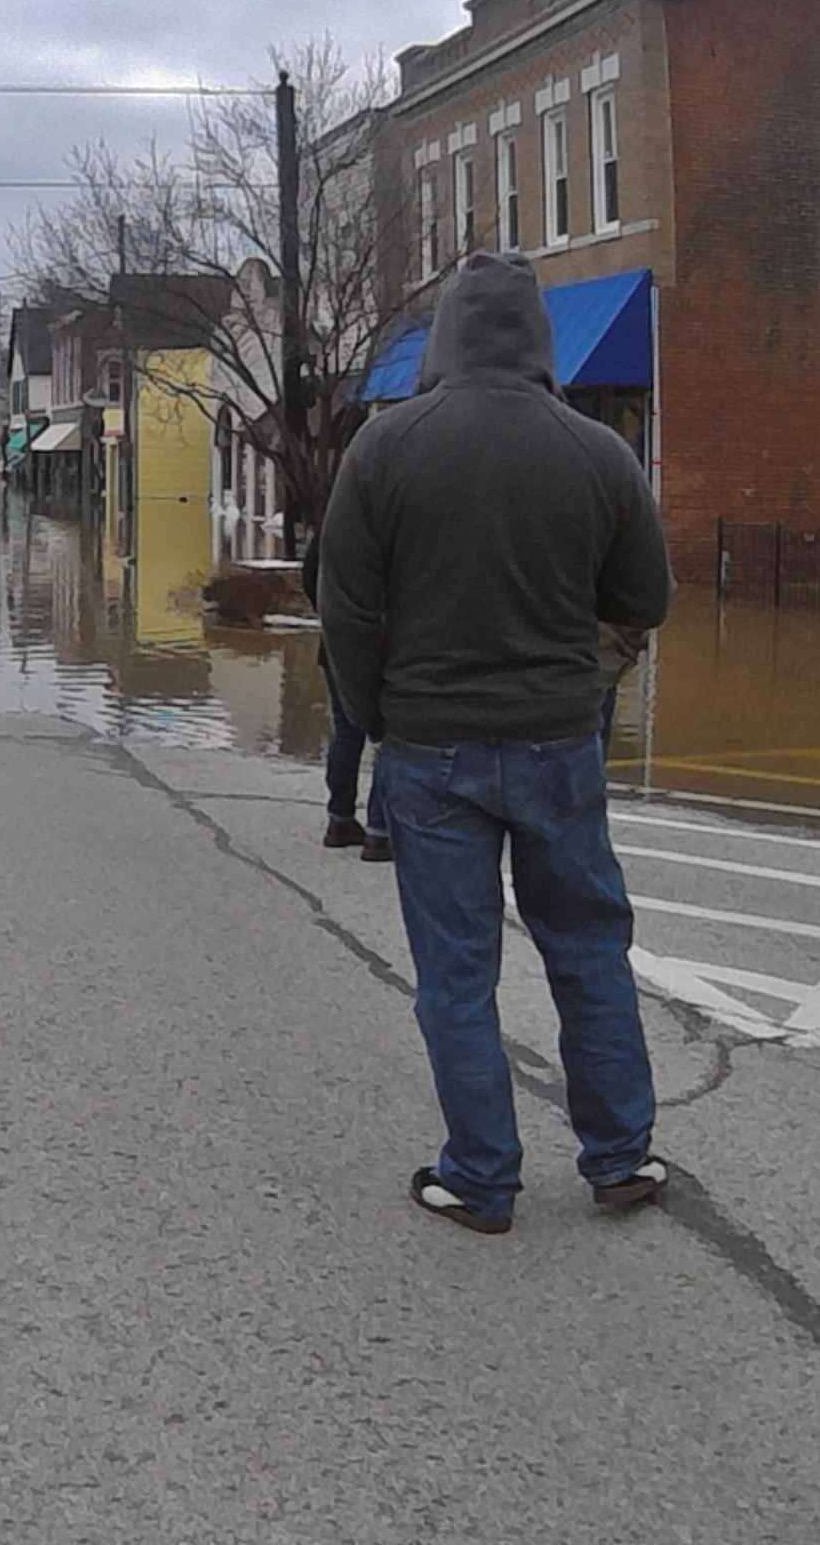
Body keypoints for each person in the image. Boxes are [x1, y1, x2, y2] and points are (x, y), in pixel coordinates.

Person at [319, 252, 675, 1236]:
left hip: (429, 749)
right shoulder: (597, 453)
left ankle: (480, 1175)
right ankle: (618, 1154)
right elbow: (643, 599)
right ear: (536, 336)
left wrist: (377, 717)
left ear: (444, 334)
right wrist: (582, 674)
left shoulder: (384, 450)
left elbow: (343, 611)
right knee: (587, 950)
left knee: (456, 972)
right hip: (558, 740)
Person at [299, 482, 390, 860]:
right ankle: (380, 830)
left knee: (346, 730)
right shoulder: (393, 524)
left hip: (338, 644)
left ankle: (339, 818)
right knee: (392, 735)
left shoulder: (333, 526)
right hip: (388, 642)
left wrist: (332, 616)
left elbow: (310, 578)